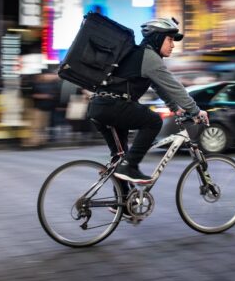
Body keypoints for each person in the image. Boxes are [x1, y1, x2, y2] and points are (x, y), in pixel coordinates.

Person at [86, 18, 209, 184]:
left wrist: (174, 108)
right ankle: (131, 166)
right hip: (112, 106)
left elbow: (159, 86)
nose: (173, 45)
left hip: (100, 106)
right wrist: (195, 110)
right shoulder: (149, 57)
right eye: (170, 39)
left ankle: (121, 205)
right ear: (157, 38)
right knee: (153, 121)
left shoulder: (140, 55)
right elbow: (174, 87)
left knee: (120, 158)